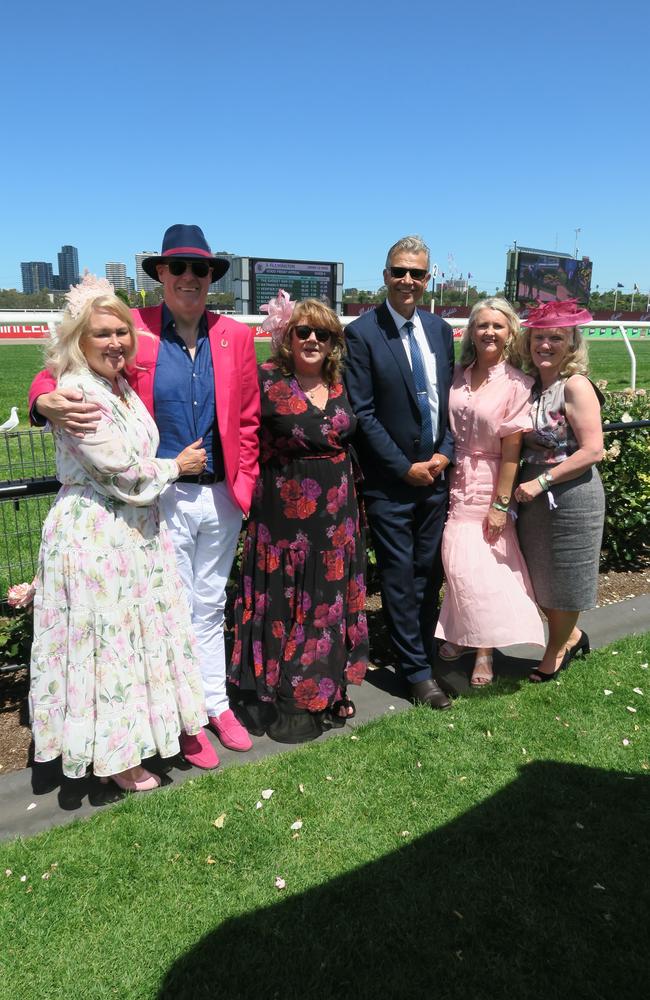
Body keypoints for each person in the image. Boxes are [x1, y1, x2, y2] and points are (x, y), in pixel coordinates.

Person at [28, 225, 260, 769]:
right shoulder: (134, 330)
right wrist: (42, 401)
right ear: (160, 274)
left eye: (199, 269)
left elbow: (247, 419)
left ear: (211, 278)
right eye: (177, 268)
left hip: (221, 495)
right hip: (161, 497)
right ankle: (187, 722)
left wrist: (242, 485)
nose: (189, 278)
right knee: (171, 612)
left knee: (210, 605)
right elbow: (58, 368)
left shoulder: (236, 336)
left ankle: (216, 705)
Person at [30, 276, 208, 791]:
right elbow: (121, 473)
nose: (114, 342)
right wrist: (177, 467)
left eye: (121, 332)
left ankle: (135, 739)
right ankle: (115, 759)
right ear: (78, 341)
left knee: (128, 641)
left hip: (130, 534)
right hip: (96, 533)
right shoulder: (78, 393)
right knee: (105, 646)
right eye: (101, 333)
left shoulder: (121, 386)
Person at [228, 293, 368, 742]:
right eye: (302, 331)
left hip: (337, 519)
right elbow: (233, 431)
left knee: (325, 605)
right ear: (285, 337)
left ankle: (322, 691)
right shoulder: (265, 379)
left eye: (322, 334)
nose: (311, 339)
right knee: (284, 606)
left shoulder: (341, 381)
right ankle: (282, 695)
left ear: (333, 342)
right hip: (282, 522)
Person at [344, 236, 455, 709]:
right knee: (397, 573)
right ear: (385, 275)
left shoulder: (440, 330)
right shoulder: (363, 333)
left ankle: (420, 652)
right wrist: (403, 467)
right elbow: (363, 414)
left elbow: (449, 405)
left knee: (429, 574)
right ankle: (417, 672)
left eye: (417, 273)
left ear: (428, 279)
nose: (408, 280)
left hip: (436, 475)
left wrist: (444, 454)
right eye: (399, 272)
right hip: (392, 482)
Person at [434, 299, 545, 684]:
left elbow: (512, 452)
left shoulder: (516, 384)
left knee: (484, 565)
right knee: (457, 561)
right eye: (482, 325)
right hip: (455, 478)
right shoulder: (456, 375)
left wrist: (500, 504)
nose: (489, 332)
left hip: (491, 479)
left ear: (510, 332)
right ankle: (463, 634)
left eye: (498, 326)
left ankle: (485, 651)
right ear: (471, 332)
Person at [514, 299, 605, 682]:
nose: (545, 344)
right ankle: (575, 636)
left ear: (571, 343)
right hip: (532, 498)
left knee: (566, 578)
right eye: (539, 337)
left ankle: (556, 650)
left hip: (570, 496)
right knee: (540, 577)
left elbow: (593, 449)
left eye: (556, 337)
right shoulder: (531, 383)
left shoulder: (575, 385)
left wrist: (541, 482)